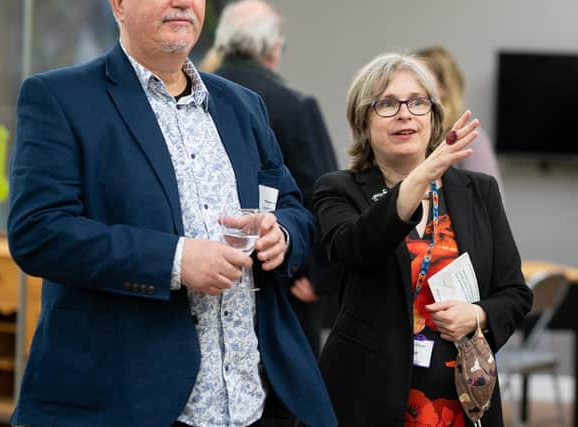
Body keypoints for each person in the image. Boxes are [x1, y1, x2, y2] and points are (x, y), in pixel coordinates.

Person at [7, 0, 337, 426]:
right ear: (119, 5)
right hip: (126, 403)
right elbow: (39, 232)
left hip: (250, 402)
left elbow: (292, 203)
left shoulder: (243, 105)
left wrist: (282, 234)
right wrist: (176, 261)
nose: (182, 2)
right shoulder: (60, 98)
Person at [313, 53, 532, 426]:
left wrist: (476, 315)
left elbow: (514, 293)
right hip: (367, 397)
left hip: (458, 397)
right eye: (386, 104)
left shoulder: (478, 191)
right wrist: (421, 177)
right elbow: (357, 249)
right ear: (362, 122)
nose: (404, 113)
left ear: (432, 116)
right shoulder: (337, 190)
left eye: (417, 102)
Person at [209, 0, 339, 355]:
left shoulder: (193, 96)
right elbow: (324, 193)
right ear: (274, 48)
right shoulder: (293, 106)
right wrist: (320, 275)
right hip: (283, 285)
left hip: (204, 280)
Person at [414, 46, 504, 192]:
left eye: (421, 78)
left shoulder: (471, 137)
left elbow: (489, 200)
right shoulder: (412, 133)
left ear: (444, 87)